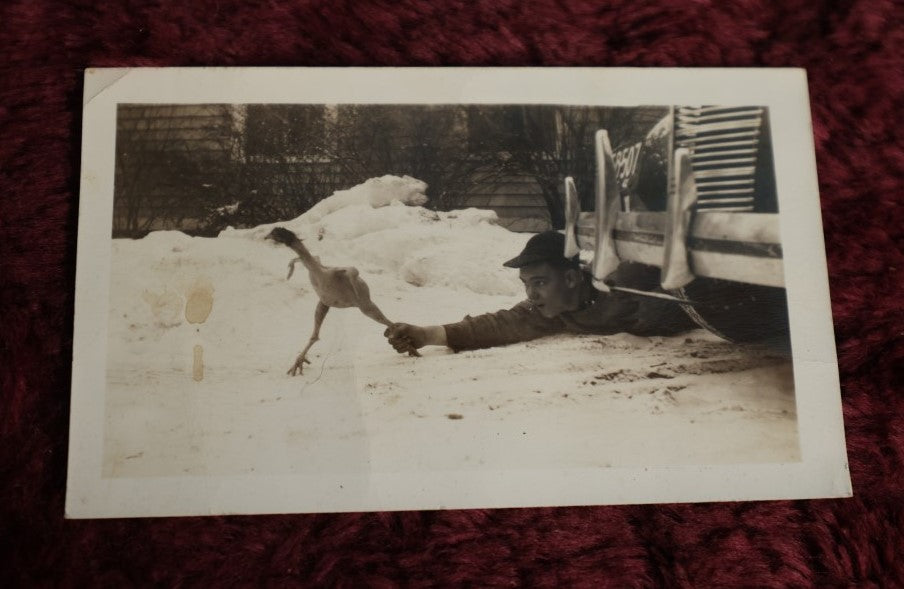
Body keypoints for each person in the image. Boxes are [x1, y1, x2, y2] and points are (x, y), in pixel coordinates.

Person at [384, 231, 697, 353]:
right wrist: (425, 335)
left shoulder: (622, 282)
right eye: (526, 284)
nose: (531, 295)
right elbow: (494, 325)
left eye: (540, 282)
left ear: (573, 279)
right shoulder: (554, 312)